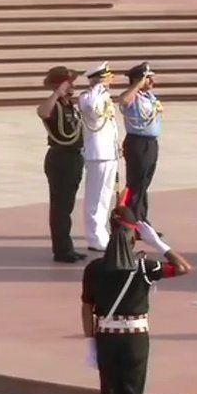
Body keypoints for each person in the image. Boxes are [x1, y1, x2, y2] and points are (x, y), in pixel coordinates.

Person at [81, 206, 193, 394]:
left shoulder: (94, 268)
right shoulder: (144, 267)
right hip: (134, 340)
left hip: (106, 339)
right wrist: (158, 243)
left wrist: (91, 342)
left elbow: (86, 308)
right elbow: (183, 268)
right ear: (134, 235)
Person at [37, 66, 86, 263]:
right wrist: (57, 93)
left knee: (67, 206)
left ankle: (67, 247)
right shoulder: (54, 104)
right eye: (69, 82)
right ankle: (62, 250)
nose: (72, 86)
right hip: (60, 158)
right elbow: (42, 112)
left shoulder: (69, 105)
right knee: (60, 208)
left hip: (74, 157)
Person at [79, 62, 120, 252]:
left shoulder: (104, 96)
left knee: (105, 196)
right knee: (95, 197)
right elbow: (93, 112)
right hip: (97, 154)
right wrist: (97, 87)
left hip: (108, 153)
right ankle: (94, 237)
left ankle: (101, 234)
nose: (111, 80)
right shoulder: (87, 97)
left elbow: (110, 124)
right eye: (107, 77)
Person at [119, 62, 163, 224]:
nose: (152, 82)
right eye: (148, 78)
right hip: (137, 143)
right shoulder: (133, 97)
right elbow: (123, 101)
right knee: (135, 183)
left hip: (150, 143)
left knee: (144, 182)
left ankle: (141, 218)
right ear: (138, 80)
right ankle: (131, 219)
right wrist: (137, 84)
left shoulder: (149, 97)